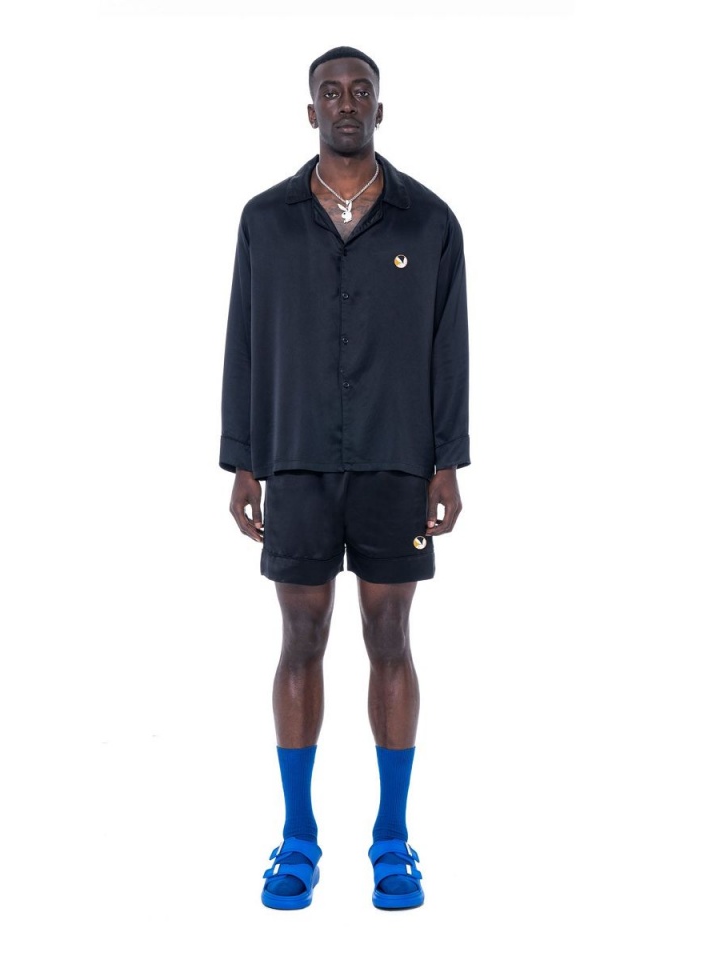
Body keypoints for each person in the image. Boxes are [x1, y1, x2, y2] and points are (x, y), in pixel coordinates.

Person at [219, 46, 470, 910]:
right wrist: (244, 458)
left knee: (390, 635)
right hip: (295, 458)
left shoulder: (428, 222)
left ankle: (392, 840)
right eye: (331, 92)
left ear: (380, 109)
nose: (347, 102)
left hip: (397, 459)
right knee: (301, 638)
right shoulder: (266, 221)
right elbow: (244, 343)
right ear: (311, 112)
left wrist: (447, 459)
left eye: (361, 90)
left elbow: (449, 348)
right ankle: (298, 838)